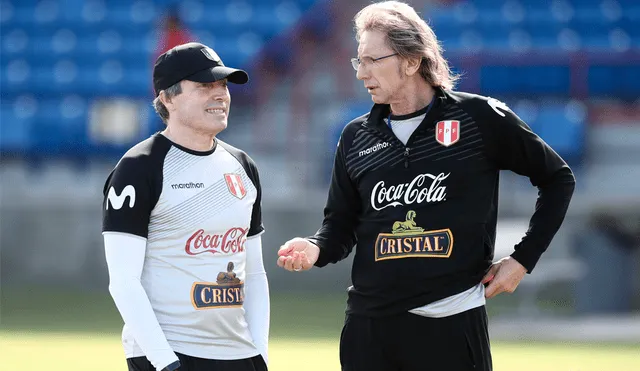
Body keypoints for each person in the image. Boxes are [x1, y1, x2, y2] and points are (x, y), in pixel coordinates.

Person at [276, 2, 575, 371]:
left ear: (412, 60)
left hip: (451, 323)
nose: (361, 73)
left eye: (372, 60)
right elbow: (339, 225)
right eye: (359, 61)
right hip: (369, 330)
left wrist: (522, 260)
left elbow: (558, 178)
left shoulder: (478, 118)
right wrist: (315, 248)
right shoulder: (355, 136)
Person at [103, 42, 269, 371]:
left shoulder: (243, 166)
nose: (220, 94)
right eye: (205, 86)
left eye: (223, 85)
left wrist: (260, 353)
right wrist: (164, 362)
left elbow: (255, 274)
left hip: (238, 355)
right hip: (171, 353)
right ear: (167, 98)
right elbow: (123, 280)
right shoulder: (140, 167)